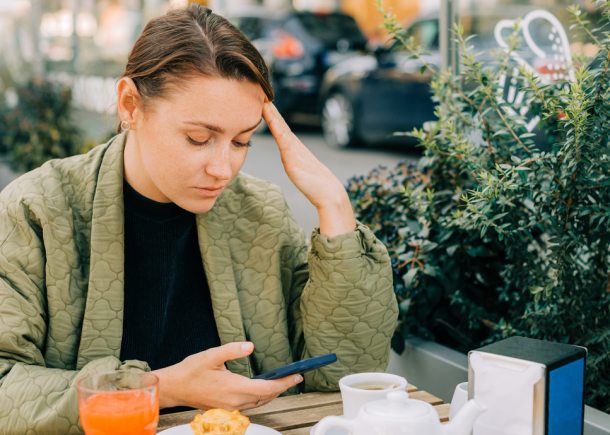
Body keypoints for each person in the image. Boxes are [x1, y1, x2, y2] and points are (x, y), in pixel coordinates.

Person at [0, 4, 397, 434]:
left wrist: (335, 206)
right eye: (198, 138)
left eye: (242, 141)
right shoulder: (38, 210)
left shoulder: (259, 213)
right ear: (130, 104)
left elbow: (343, 375)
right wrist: (161, 388)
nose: (223, 169)